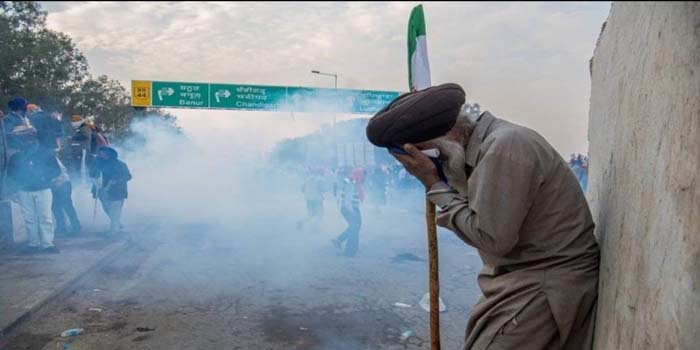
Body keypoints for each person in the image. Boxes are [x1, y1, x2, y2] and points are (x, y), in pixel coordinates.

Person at [367, 83, 599, 350]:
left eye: (430, 154)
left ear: (444, 138)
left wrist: (434, 184)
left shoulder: (504, 147)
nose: (436, 163)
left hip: (545, 281)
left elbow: (491, 237)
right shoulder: (483, 147)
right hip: (520, 278)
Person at [6, 131, 61, 254]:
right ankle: (33, 243)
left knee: (45, 217)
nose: (29, 141)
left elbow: (56, 171)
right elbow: (11, 175)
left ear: (36, 139)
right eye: (26, 139)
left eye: (31, 139)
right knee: (29, 218)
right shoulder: (17, 157)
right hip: (24, 190)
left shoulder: (46, 154)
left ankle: (47, 244)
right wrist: (14, 189)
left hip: (43, 189)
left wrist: (44, 177)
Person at [89, 146, 131, 235]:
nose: (101, 154)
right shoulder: (97, 163)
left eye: (103, 152)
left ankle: (114, 229)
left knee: (115, 210)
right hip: (102, 190)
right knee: (107, 209)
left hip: (117, 191)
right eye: (100, 153)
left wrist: (117, 180)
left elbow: (128, 176)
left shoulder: (120, 164)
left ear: (110, 154)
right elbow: (91, 173)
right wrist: (95, 178)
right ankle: (117, 223)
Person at [331, 167, 364, 257]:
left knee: (355, 227)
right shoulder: (351, 182)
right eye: (363, 174)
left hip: (352, 208)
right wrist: (352, 211)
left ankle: (341, 240)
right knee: (355, 228)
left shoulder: (353, 181)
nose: (364, 177)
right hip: (350, 208)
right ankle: (349, 250)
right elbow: (347, 199)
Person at [51, 158, 81, 236]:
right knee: (55, 206)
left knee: (66, 205)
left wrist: (57, 180)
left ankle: (76, 226)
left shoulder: (51, 158)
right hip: (55, 185)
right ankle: (61, 227)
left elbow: (61, 170)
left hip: (63, 183)